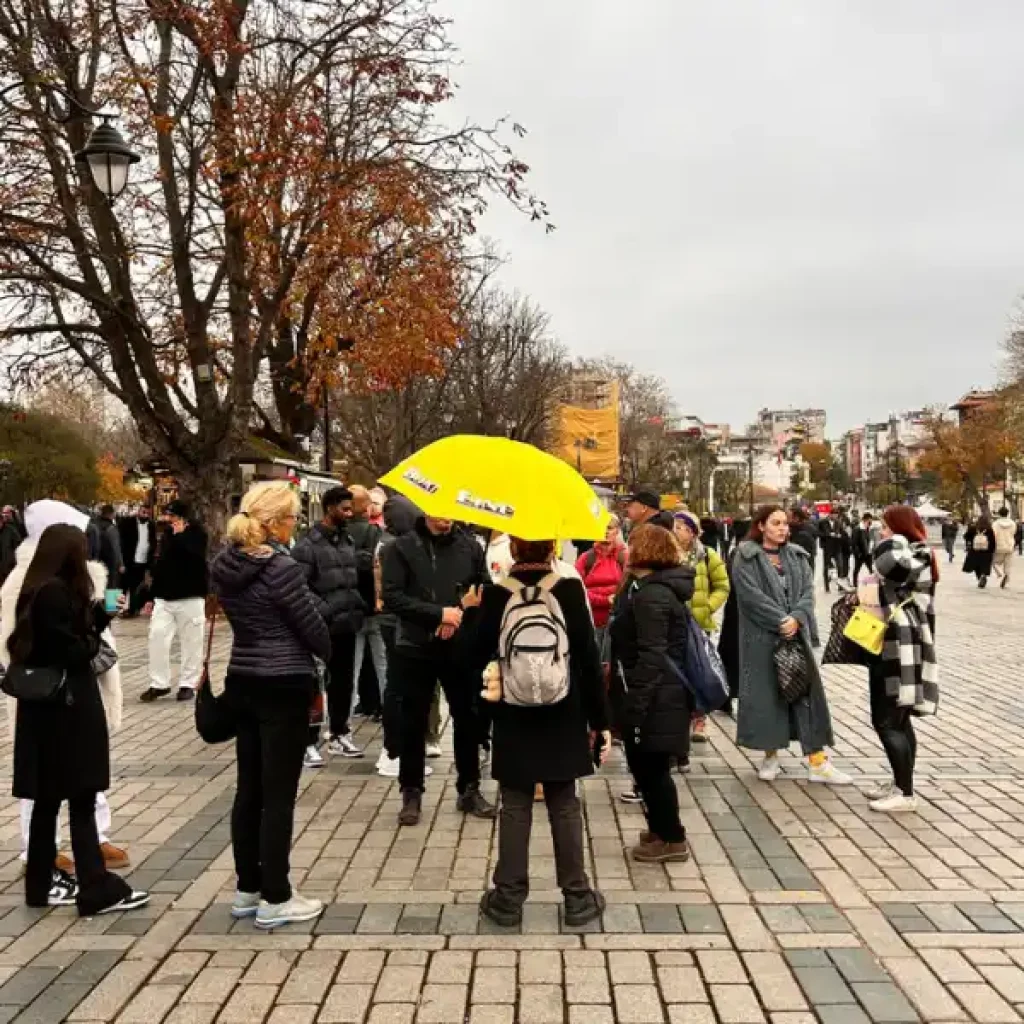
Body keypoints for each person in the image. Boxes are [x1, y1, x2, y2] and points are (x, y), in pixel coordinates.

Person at [8, 523, 148, 914]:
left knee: (48, 801)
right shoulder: (55, 593)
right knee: (82, 797)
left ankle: (40, 885)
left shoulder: (35, 588)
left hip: (42, 709)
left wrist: (98, 616)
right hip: (68, 708)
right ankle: (95, 887)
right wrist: (91, 636)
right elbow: (72, 649)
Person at [472, 538, 610, 928]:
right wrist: (600, 721)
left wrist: (483, 716)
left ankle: (508, 898)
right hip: (563, 711)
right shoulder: (568, 591)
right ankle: (577, 896)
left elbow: (475, 656)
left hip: (512, 712)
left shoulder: (497, 594)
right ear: (552, 550)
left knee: (515, 804)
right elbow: (588, 658)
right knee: (564, 802)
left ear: (513, 550)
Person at [211, 481, 331, 928]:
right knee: (278, 795)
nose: (294, 525)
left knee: (249, 789)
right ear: (276, 522)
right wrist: (328, 648)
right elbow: (310, 626)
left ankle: (248, 886)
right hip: (283, 682)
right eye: (292, 518)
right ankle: (276, 895)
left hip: (243, 677)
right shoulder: (281, 567)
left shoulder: (226, 563)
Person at [381, 513, 495, 825]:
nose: (445, 522)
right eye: (439, 517)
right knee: (413, 720)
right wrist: (437, 614)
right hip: (414, 646)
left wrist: (460, 612)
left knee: (468, 717)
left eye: (450, 517)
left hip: (460, 646)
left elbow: (483, 588)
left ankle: (469, 787)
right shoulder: (401, 547)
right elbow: (392, 596)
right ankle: (411, 791)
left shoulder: (470, 546)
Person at [732, 506, 849, 785]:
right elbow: (750, 597)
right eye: (775, 523)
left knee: (806, 695)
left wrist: (796, 618)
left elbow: (808, 592)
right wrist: (779, 620)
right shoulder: (745, 557)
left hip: (796, 636)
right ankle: (770, 755)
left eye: (785, 523)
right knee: (767, 697)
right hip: (761, 638)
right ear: (761, 526)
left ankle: (818, 762)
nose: (783, 528)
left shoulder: (797, 556)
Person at [610, 524, 695, 863]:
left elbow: (652, 654)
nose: (626, 549)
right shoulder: (646, 589)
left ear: (646, 551)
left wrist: (636, 703)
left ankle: (672, 838)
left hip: (658, 696)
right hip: (658, 692)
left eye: (631, 544)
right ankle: (660, 829)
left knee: (653, 768)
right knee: (646, 766)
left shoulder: (653, 595)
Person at [861, 506, 939, 813]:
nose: (881, 532)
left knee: (888, 719)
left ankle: (905, 793)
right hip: (896, 642)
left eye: (885, 527)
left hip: (902, 645)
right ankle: (900, 783)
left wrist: (891, 540)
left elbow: (886, 564)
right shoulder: (914, 553)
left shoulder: (916, 554)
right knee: (898, 718)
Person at [292, 487, 366, 757]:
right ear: (329, 508)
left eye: (351, 508)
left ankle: (339, 732)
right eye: (344, 509)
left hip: (347, 623)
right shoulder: (307, 545)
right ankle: (308, 741)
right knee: (315, 683)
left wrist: (357, 604)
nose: (349, 514)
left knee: (343, 683)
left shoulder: (347, 540)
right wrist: (325, 609)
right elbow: (299, 585)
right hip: (321, 625)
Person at [140, 501, 209, 702]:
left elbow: (195, 558)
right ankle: (159, 683)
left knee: (192, 641)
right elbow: (162, 564)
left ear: (184, 518)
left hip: (191, 595)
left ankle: (188, 683)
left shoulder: (198, 534)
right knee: (157, 636)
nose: (169, 520)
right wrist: (151, 596)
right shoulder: (168, 535)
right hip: (165, 596)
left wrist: (180, 536)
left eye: (173, 516)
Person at [673, 510, 730, 745]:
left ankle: (699, 719)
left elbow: (722, 586)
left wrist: (708, 606)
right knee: (678, 674)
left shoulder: (707, 556)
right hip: (674, 622)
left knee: (699, 672)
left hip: (699, 623)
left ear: (693, 532)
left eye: (681, 527)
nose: (676, 531)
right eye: (675, 526)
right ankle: (680, 718)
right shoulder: (667, 554)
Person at [348, 486, 387, 719]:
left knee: (351, 666)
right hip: (375, 607)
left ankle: (345, 717)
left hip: (350, 609)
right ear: (367, 507)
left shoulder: (339, 535)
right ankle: (388, 709)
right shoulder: (376, 534)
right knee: (383, 664)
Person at [576, 515, 626, 654]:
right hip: (590, 622)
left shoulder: (624, 557)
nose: (605, 531)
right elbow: (576, 591)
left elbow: (628, 587)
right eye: (602, 527)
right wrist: (604, 600)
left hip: (617, 623)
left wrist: (615, 596)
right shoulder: (586, 558)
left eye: (609, 528)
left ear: (617, 531)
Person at [118, 506, 156, 617]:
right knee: (123, 586)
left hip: (143, 561)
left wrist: (150, 559)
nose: (145, 515)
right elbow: (121, 541)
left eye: (148, 513)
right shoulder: (127, 523)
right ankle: (118, 609)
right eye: (143, 512)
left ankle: (132, 610)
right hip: (129, 560)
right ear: (138, 511)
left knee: (136, 586)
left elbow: (152, 541)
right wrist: (121, 561)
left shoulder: (151, 525)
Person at [87, 505, 123, 589]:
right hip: (109, 562)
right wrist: (120, 564)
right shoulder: (111, 528)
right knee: (110, 586)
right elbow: (116, 548)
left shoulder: (93, 525)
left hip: (94, 560)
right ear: (112, 514)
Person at [963, 514, 996, 588]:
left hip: (975, 551)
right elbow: (993, 541)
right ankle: (983, 575)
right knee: (985, 565)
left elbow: (965, 536)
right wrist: (992, 550)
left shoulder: (973, 528)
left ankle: (979, 577)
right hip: (986, 551)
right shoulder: (989, 530)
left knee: (976, 566)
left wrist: (970, 542)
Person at [992, 507, 1017, 590]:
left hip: (999, 545)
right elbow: (1014, 533)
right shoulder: (1012, 523)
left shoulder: (995, 524)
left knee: (994, 562)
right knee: (1008, 564)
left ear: (999, 514)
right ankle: (1006, 576)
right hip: (1010, 545)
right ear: (1007, 513)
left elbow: (994, 534)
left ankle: (1000, 573)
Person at [0, 506, 23, 584]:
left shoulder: (11, 530)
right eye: (4, 513)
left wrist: (13, 560)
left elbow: (19, 545)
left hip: (9, 567)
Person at [851, 513, 876, 584]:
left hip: (868, 553)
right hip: (860, 554)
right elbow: (854, 543)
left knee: (871, 569)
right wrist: (858, 553)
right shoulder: (857, 529)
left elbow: (869, 540)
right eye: (869, 521)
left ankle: (874, 584)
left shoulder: (867, 528)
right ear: (865, 520)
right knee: (857, 569)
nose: (870, 522)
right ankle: (855, 584)